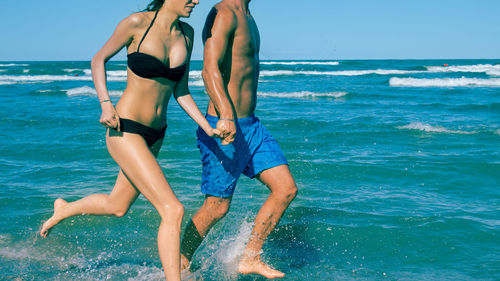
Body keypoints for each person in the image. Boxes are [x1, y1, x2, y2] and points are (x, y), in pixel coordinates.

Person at [39, 0, 215, 280]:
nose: (195, 1)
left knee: (117, 206)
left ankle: (65, 208)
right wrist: (105, 104)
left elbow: (181, 90)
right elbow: (98, 59)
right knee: (173, 209)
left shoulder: (187, 34)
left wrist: (208, 126)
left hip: (156, 133)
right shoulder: (137, 23)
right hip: (125, 129)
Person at [180, 0, 298, 278]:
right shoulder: (223, 14)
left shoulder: (249, 16)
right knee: (216, 207)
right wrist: (226, 115)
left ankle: (250, 257)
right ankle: (179, 261)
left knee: (286, 189)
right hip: (223, 124)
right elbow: (208, 71)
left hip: (251, 125)